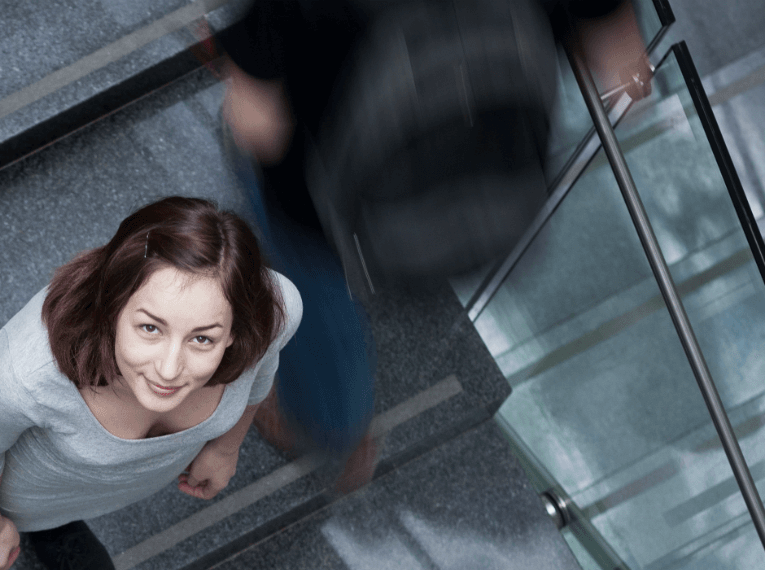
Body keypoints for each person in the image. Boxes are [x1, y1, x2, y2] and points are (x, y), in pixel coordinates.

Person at [218, 0, 654, 485]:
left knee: (320, 295)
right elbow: (622, 63)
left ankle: (333, 423)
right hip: (489, 177)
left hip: (321, 202)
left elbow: (255, 122)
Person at [0, 195, 302, 570]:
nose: (170, 371)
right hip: (6, 498)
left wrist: (226, 443)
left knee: (57, 520)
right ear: (112, 305)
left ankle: (57, 534)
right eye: (150, 327)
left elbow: (263, 364)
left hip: (88, 493)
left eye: (203, 339)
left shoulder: (274, 308)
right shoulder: (24, 373)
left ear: (235, 333)